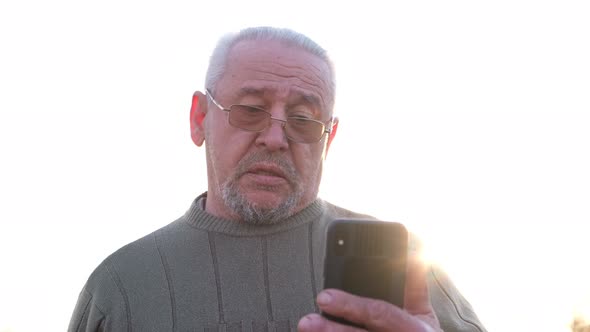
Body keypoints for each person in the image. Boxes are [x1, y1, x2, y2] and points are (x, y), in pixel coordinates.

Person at [69, 26, 487, 332]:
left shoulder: (404, 267)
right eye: (250, 110)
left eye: (304, 119)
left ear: (329, 137)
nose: (275, 138)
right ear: (200, 119)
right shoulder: (123, 285)